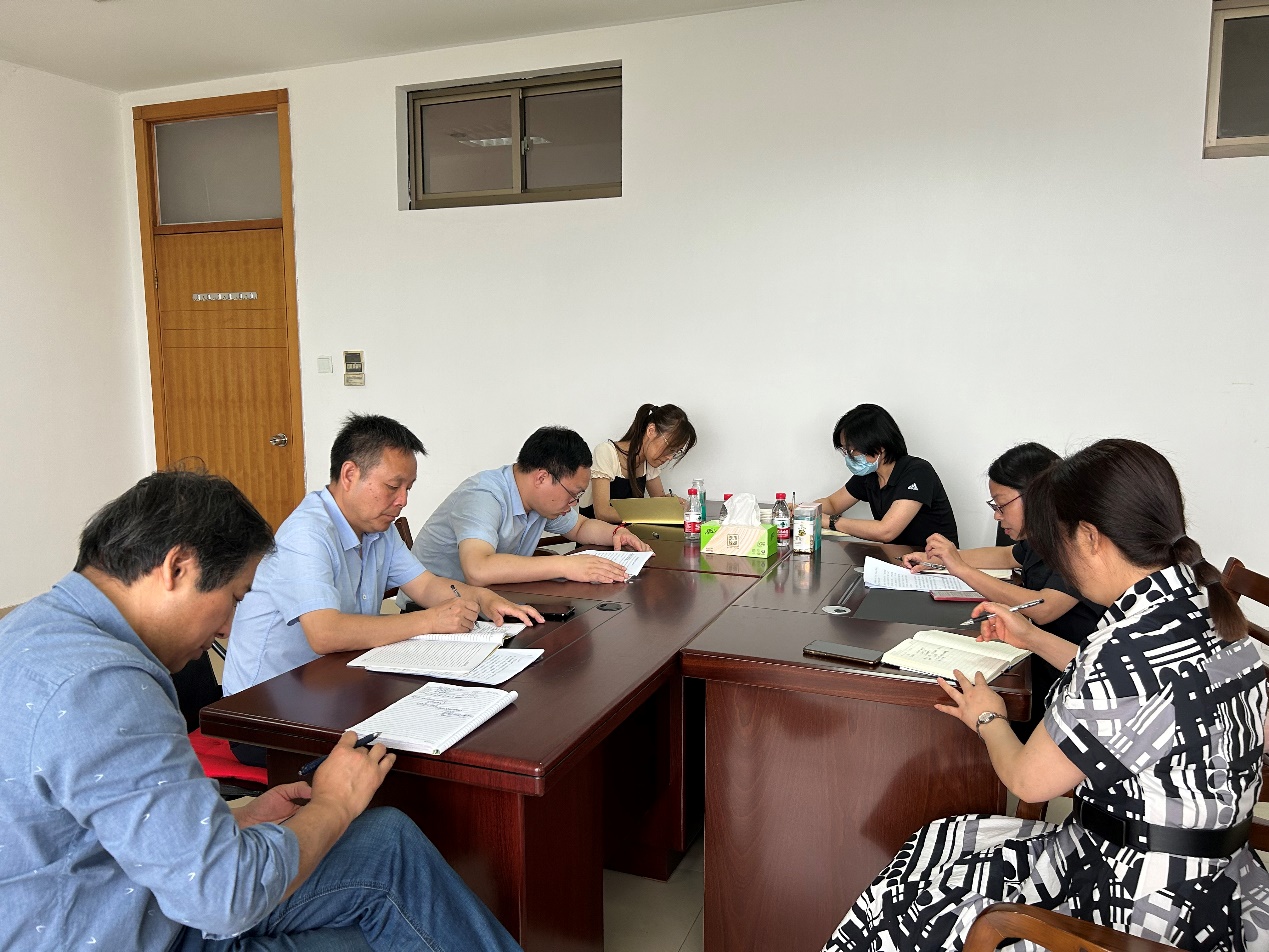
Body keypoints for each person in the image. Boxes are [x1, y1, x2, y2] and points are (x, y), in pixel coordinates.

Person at [0, 471, 522, 952]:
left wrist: (234, 819)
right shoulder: (105, 686)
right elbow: (225, 897)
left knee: (388, 842)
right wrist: (334, 805)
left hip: (135, 891)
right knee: (391, 926)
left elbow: (82, 817)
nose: (229, 628)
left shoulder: (34, 627)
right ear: (177, 568)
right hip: (130, 928)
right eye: (235, 597)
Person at [823, 439, 1269, 952]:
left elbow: (1028, 781)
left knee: (910, 893)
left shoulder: (1121, 649)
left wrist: (988, 717)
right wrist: (1031, 637)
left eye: (1058, 542)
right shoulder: (1207, 611)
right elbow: (1140, 699)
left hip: (1135, 901)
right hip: (1222, 882)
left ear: (1090, 537)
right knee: (938, 843)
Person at [222, 413, 541, 705]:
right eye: (392, 486)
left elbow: (426, 586)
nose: (402, 500)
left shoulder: (378, 528)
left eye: (408, 488)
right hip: (264, 705)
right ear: (350, 474)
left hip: (336, 681)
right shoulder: (307, 533)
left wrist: (482, 598)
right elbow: (325, 633)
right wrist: (429, 621)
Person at [900, 442, 1104, 738]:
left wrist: (962, 570)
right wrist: (941, 559)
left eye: (1001, 504)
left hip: (1075, 684)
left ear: (1037, 496)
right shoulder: (1041, 536)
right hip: (1045, 660)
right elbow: (1006, 555)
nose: (997, 515)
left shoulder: (1075, 541)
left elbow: (1045, 607)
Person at [410, 425, 651, 587]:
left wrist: (617, 533)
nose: (573, 503)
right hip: (432, 609)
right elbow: (478, 570)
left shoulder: (540, 501)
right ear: (542, 478)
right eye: (573, 494)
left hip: (490, 600)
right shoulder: (483, 496)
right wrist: (565, 565)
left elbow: (580, 527)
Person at [814, 404, 958, 547]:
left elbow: (886, 531)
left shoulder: (918, 471)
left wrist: (830, 522)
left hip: (935, 559)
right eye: (845, 450)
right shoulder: (869, 475)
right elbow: (832, 504)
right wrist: (804, 511)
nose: (848, 457)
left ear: (879, 446)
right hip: (899, 557)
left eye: (852, 450)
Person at [579, 403, 697, 523]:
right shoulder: (606, 452)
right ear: (651, 431)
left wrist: (671, 503)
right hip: (594, 533)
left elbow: (659, 501)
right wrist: (653, 512)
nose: (670, 457)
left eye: (676, 452)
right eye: (670, 449)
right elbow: (603, 513)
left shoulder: (649, 462)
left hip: (626, 532)